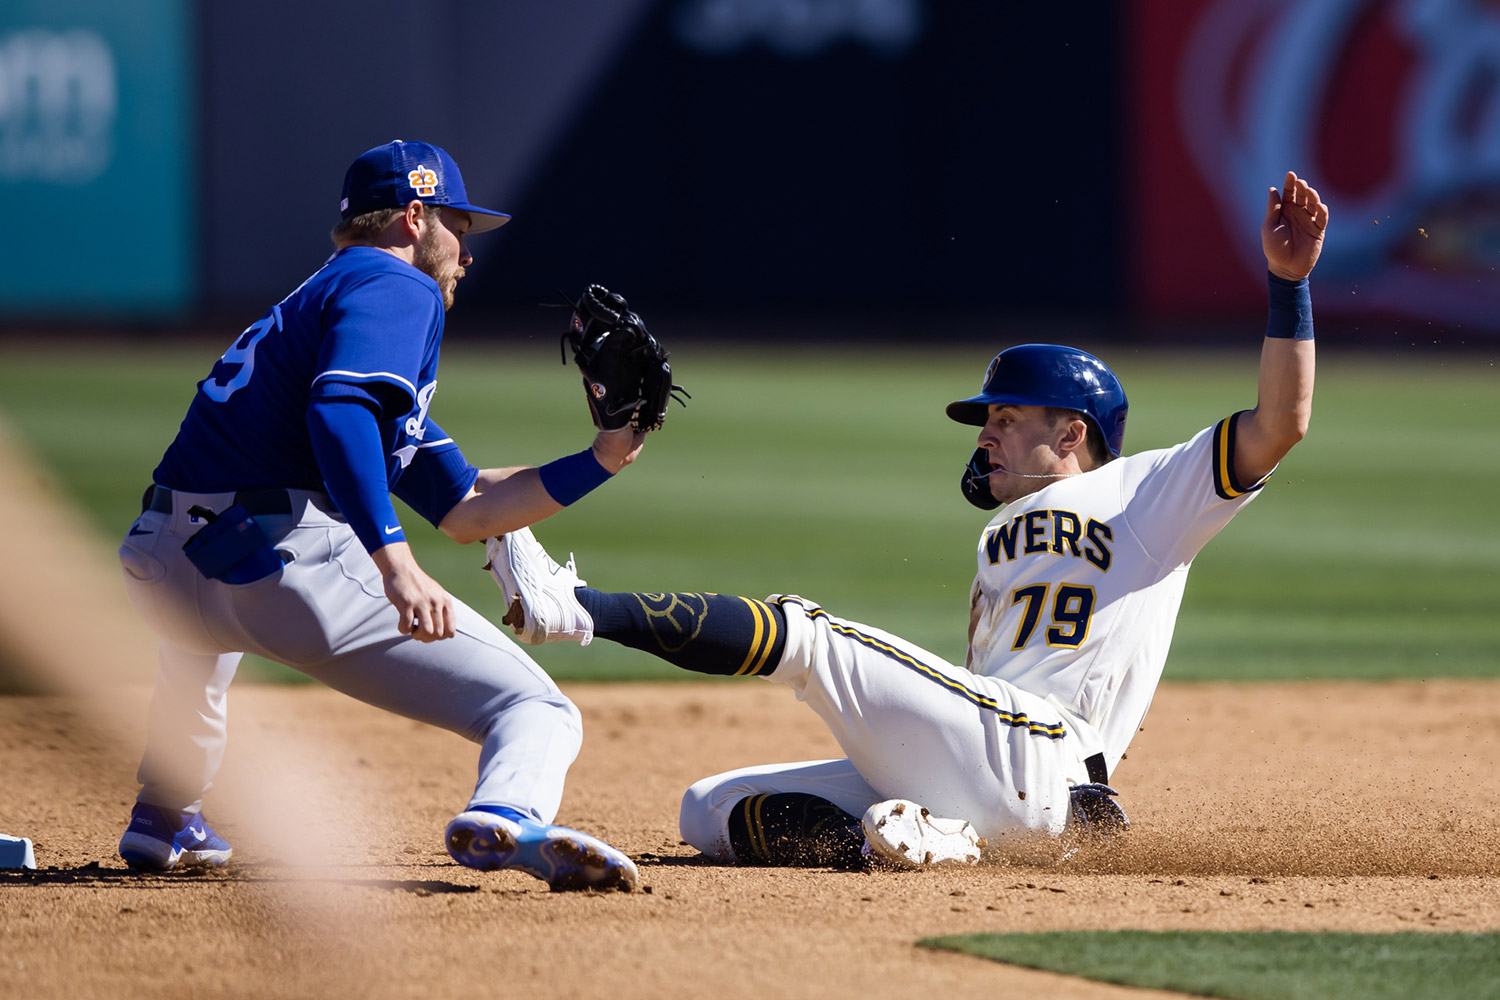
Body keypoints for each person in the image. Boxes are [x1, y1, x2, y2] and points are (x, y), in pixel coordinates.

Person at [488, 171, 1327, 869]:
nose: (987, 432)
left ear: (1072, 433)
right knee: (710, 808)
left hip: (1047, 755)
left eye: (1006, 417)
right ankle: (928, 843)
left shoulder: (1148, 492)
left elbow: (1279, 422)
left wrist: (1288, 284)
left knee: (812, 638)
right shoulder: (1002, 534)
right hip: (988, 763)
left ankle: (576, 607)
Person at [116, 139, 646, 891]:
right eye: (459, 227)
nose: (466, 253)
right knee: (536, 706)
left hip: (162, 566)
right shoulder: (397, 288)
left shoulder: (325, 303)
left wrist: (603, 456)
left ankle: (165, 811)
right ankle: (508, 812)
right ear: (413, 216)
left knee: (205, 622)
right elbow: (340, 412)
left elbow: (467, 507)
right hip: (278, 569)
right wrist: (394, 564)